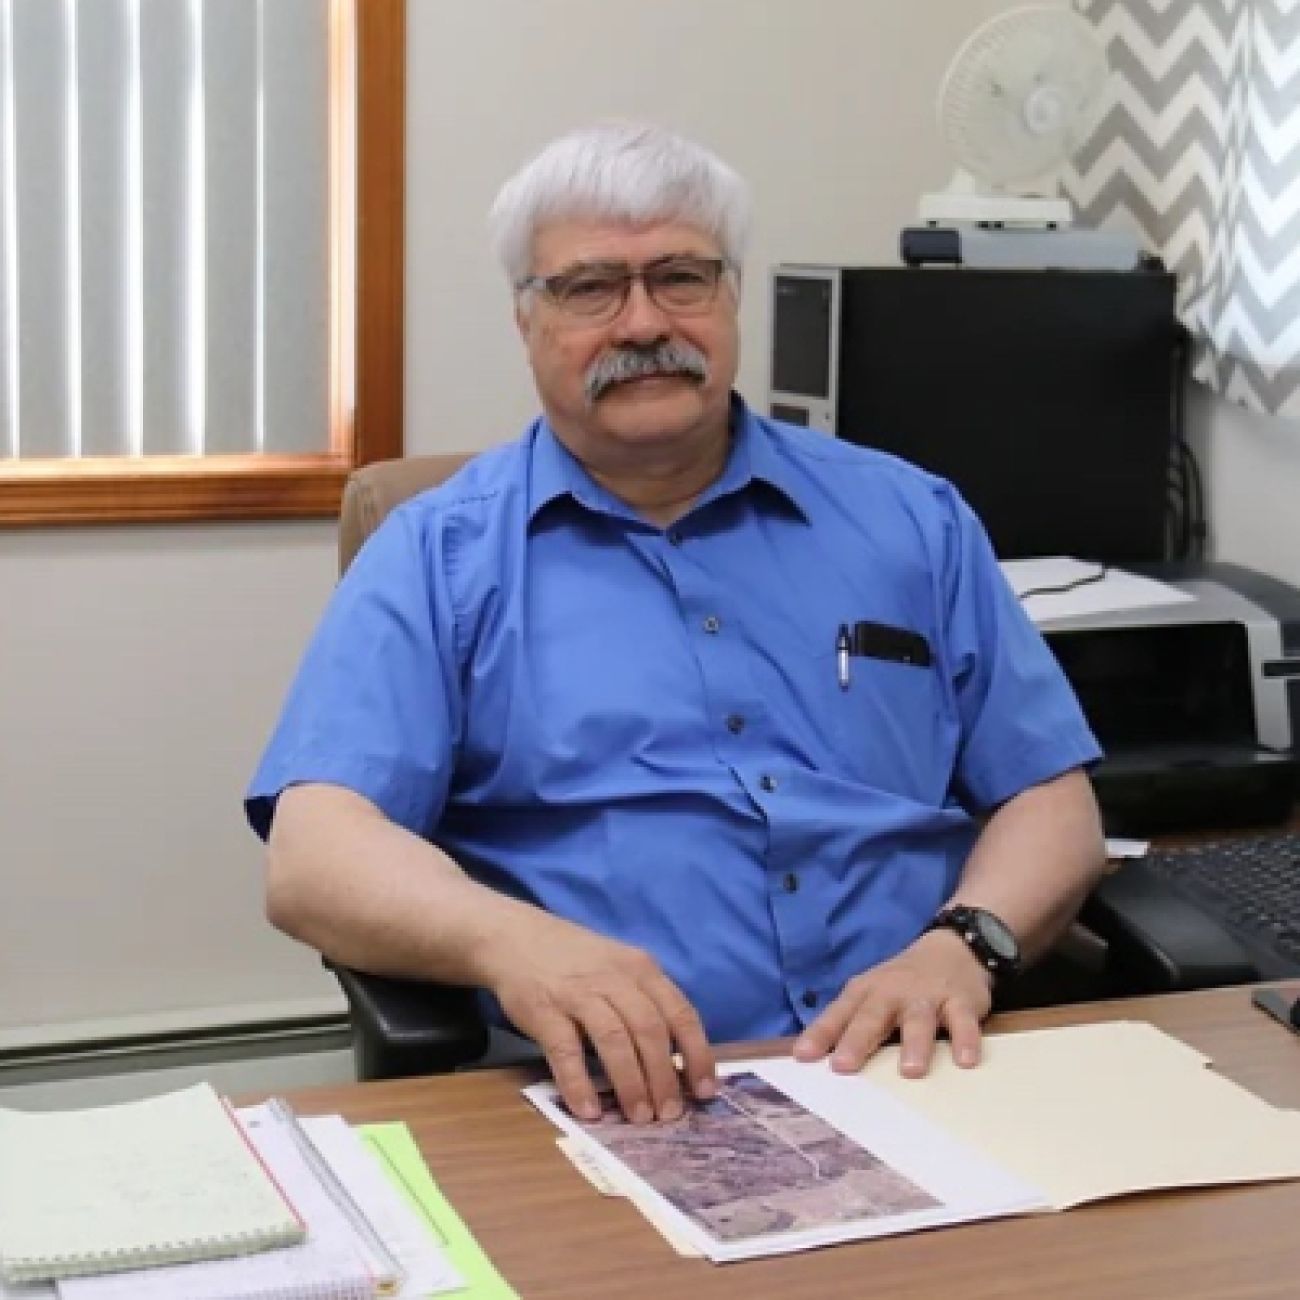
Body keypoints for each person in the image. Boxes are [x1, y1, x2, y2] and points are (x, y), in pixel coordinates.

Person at [247, 121, 1106, 1127]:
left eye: (681, 278)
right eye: (588, 288)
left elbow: (1050, 793)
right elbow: (314, 853)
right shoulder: (438, 554)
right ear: (527, 321)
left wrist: (962, 944)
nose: (641, 322)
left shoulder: (911, 518)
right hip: (603, 1098)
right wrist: (510, 943)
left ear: (731, 295)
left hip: (918, 1071)